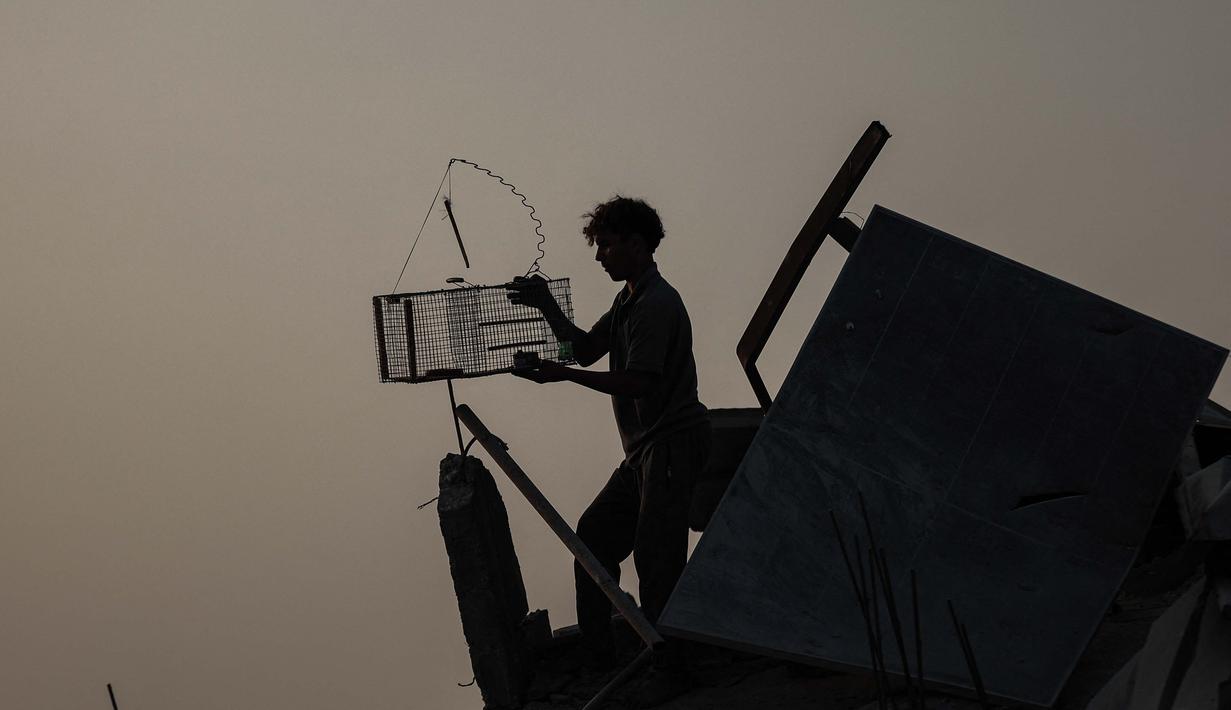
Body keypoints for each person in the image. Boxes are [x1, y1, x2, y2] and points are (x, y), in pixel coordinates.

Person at [507, 195, 710, 683]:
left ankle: (675, 676)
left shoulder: (657, 304)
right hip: (643, 452)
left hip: (670, 444)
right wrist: (547, 308)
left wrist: (562, 377)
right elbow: (584, 352)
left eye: (606, 245)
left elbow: (638, 380)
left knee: (657, 563)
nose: (600, 256)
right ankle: (604, 670)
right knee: (593, 541)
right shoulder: (627, 301)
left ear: (637, 245)